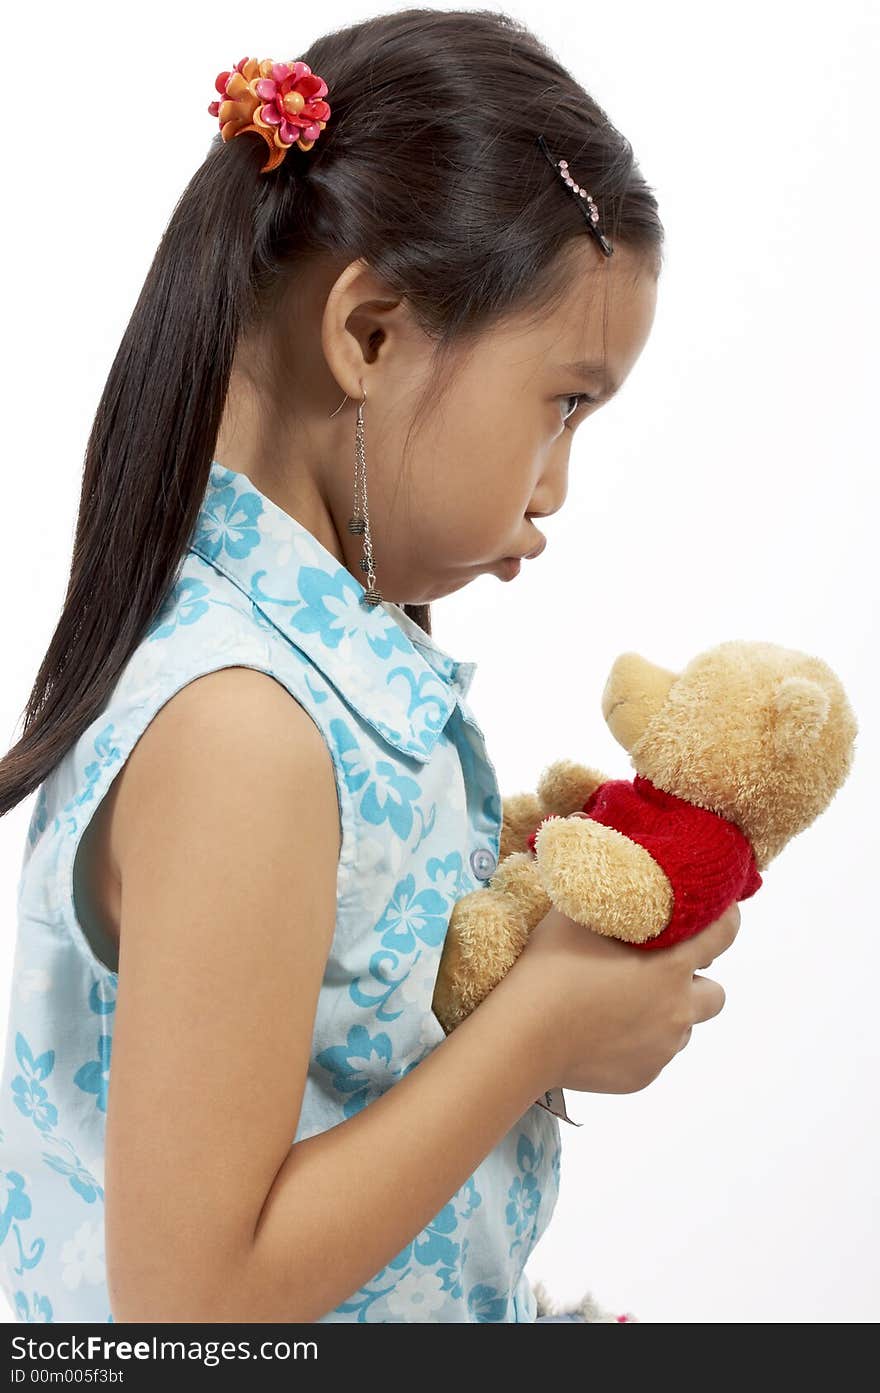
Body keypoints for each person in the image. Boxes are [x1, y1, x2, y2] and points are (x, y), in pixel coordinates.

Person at [0, 8, 742, 1324]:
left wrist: (508, 924)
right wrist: (542, 1032)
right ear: (372, 336)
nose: (557, 484)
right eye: (563, 401)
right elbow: (192, 1307)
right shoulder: (243, 730)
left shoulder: (293, 675)